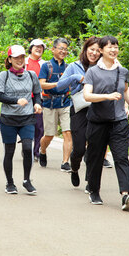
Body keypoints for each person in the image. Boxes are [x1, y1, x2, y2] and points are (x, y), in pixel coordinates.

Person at [83, 35, 129, 211]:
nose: (113, 50)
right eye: (109, 47)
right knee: (95, 158)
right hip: (98, 121)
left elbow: (126, 90)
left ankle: (126, 194)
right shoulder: (92, 72)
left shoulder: (123, 71)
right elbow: (87, 95)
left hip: (119, 121)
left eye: (116, 47)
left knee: (121, 157)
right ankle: (94, 190)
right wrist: (106, 96)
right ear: (101, 50)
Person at [0, 45, 42, 194]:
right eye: (16, 57)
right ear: (9, 59)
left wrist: (38, 104)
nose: (19, 60)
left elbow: (37, 93)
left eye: (21, 57)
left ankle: (26, 180)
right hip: (9, 119)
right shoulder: (4, 75)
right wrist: (16, 100)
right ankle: (10, 183)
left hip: (27, 118)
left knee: (28, 148)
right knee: (9, 151)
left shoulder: (31, 75)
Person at [57, 36, 101, 187]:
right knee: (80, 147)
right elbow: (59, 86)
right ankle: (74, 168)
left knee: (94, 148)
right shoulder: (74, 66)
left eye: (97, 50)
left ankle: (90, 181)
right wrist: (76, 77)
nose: (94, 53)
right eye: (91, 49)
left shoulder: (103, 67)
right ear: (85, 49)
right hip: (79, 110)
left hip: (98, 109)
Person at [38, 37, 72, 172]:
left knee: (68, 132)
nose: (63, 51)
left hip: (65, 103)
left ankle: (65, 162)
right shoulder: (46, 66)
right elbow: (41, 84)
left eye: (65, 49)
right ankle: (43, 150)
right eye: (61, 48)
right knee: (49, 135)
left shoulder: (69, 67)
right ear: (53, 49)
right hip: (49, 104)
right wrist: (57, 84)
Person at [25, 39, 46, 161]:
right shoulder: (24, 61)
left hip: (39, 98)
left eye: (41, 47)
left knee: (39, 126)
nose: (38, 49)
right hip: (25, 98)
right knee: (26, 124)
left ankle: (36, 151)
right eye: (36, 47)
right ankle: (26, 147)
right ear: (31, 48)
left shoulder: (45, 64)